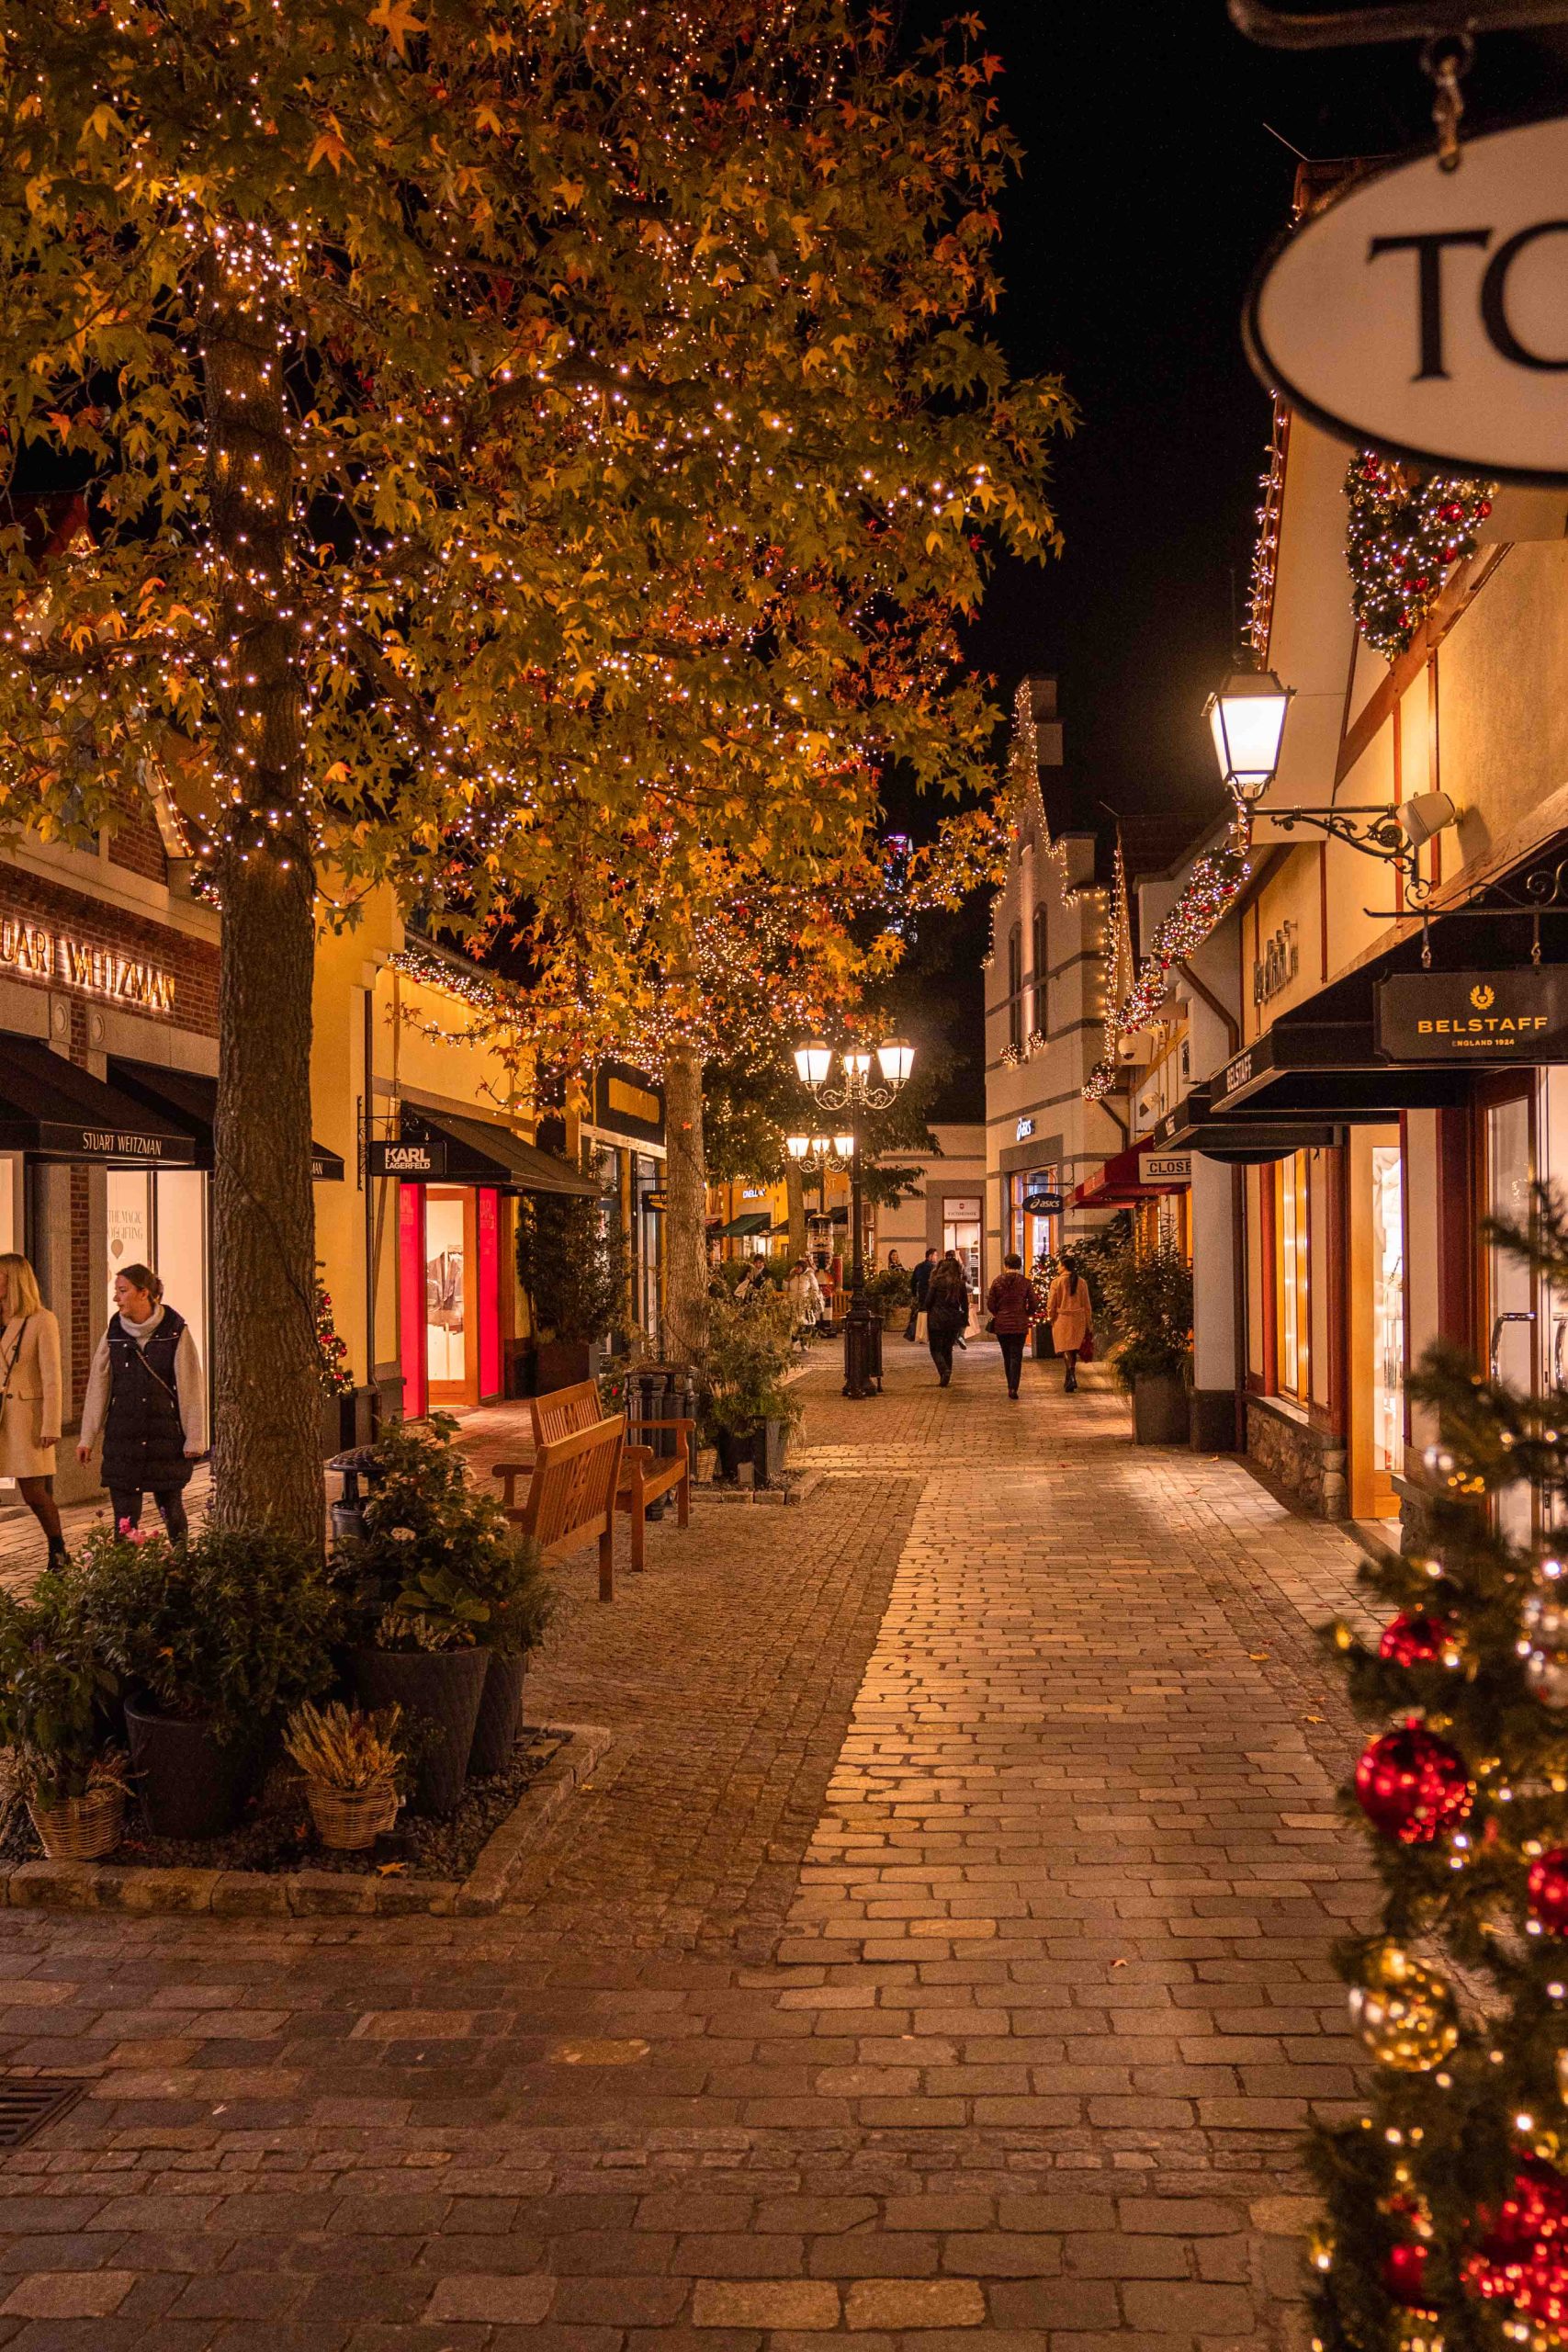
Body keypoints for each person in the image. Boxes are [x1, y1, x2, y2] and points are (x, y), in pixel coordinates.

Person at [78, 1263, 206, 1541]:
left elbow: (190, 1386)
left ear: (143, 1293)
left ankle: (182, 1567)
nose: (116, 1298)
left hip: (165, 1439)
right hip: (123, 1440)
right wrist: (86, 1437)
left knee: (172, 1510)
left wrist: (194, 1439)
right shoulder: (113, 1333)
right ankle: (124, 1578)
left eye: (123, 1291)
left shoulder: (174, 1331)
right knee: (124, 1520)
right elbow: (98, 1385)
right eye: (116, 1292)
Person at [0, 1253, 65, 1566]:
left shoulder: (41, 1320)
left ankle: (58, 1549)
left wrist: (51, 1424)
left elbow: (52, 1377)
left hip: (26, 1418)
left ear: (13, 1279)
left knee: (33, 1493)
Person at [987, 1251, 1036, 1402]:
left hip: (1002, 1324)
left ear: (1005, 1265)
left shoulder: (997, 1281)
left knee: (1007, 1356)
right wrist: (1025, 1313)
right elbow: (1033, 1303)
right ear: (1019, 1265)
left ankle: (1010, 1384)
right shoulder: (1026, 1282)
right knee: (1016, 1356)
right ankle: (1013, 1387)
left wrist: (998, 1313)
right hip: (1019, 1324)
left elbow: (990, 1303)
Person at [1046, 1253, 1093, 1395]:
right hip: (1078, 1318)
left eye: (1059, 1264)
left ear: (1064, 1265)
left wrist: (1051, 1316)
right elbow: (1087, 1304)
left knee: (1066, 1348)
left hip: (1063, 1318)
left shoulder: (1056, 1282)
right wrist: (1088, 1321)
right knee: (1073, 1349)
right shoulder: (1082, 1282)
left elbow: (1051, 1303)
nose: (1057, 1267)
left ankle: (1071, 1376)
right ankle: (1070, 1377)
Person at [925, 1249, 970, 1387]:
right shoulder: (959, 1283)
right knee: (948, 1348)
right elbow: (965, 1305)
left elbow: (928, 1302)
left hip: (936, 1319)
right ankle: (947, 1373)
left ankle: (944, 1371)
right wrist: (964, 1320)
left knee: (935, 1349)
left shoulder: (936, 1282)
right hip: (953, 1320)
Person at [785, 1257, 823, 1350]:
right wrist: (788, 1279)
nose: (797, 1269)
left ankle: (804, 1342)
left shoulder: (809, 1276)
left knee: (807, 1323)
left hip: (805, 1303)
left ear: (803, 1268)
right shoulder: (792, 1276)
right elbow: (785, 1288)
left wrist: (813, 1299)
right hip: (794, 1302)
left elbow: (815, 1288)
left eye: (799, 1268)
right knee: (794, 1323)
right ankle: (794, 1340)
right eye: (796, 1267)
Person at [906, 1244, 938, 1341]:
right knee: (931, 1315)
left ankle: (920, 1333)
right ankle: (928, 1334)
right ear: (930, 1256)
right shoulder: (934, 1268)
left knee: (922, 1314)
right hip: (931, 1295)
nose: (936, 1257)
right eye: (935, 1255)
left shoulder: (919, 1266)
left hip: (922, 1294)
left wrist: (914, 1293)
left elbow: (913, 1281)